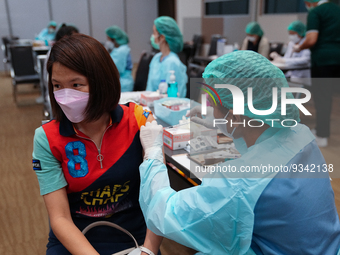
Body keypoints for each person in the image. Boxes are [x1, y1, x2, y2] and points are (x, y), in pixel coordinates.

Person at [138, 51, 340, 254]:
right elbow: (263, 149)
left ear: (234, 114)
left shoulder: (238, 182)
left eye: (213, 105)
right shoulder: (301, 135)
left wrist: (153, 152)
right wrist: (218, 119)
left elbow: (163, 212)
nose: (211, 111)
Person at [32, 34, 162, 255]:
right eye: (57, 85)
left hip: (135, 235)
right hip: (76, 238)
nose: (64, 96)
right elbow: (60, 217)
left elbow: (158, 196)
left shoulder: (140, 120)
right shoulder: (47, 138)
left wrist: (148, 250)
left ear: (101, 82)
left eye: (76, 84)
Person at [293, 0, 340, 147]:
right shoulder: (337, 10)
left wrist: (298, 48)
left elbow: (312, 39)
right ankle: (320, 129)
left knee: (323, 98)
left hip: (323, 61)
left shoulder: (316, 12)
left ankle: (322, 135)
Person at [146, 16, 188, 98]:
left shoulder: (173, 62)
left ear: (162, 37)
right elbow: (149, 89)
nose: (152, 36)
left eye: (154, 33)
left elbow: (173, 97)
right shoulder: (156, 58)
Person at [105, 26, 134, 92]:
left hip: (123, 85)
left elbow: (114, 69)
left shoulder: (121, 51)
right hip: (121, 82)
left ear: (114, 39)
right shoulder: (119, 50)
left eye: (108, 39)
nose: (107, 42)